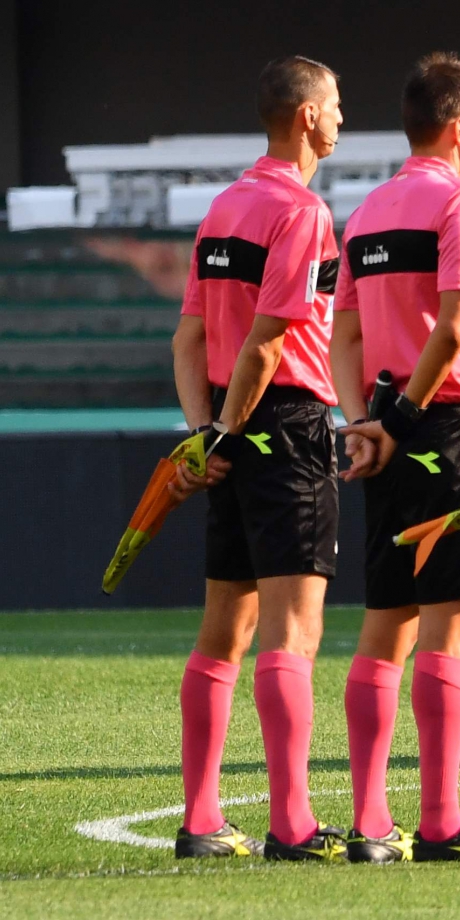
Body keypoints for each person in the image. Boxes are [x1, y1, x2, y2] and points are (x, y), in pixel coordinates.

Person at [169, 56, 346, 863]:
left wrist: (205, 434)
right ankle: (293, 824)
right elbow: (269, 341)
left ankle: (201, 820)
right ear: (308, 116)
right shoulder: (302, 212)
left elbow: (191, 336)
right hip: (282, 428)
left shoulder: (223, 207)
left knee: (221, 635)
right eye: (336, 106)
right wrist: (233, 433)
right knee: (292, 634)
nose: (342, 118)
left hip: (227, 431)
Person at [329, 53, 460, 865]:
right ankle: (439, 823)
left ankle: (368, 825)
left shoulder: (364, 212)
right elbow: (458, 325)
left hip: (381, 431)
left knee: (383, 625)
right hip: (445, 427)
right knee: (454, 627)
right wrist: (399, 418)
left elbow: (346, 335)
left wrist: (362, 420)